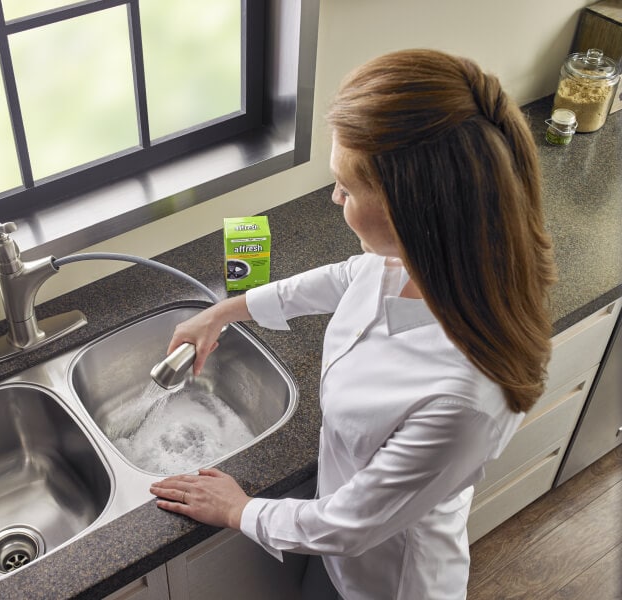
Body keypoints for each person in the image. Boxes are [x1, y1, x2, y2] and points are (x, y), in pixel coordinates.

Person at [149, 49, 557, 600]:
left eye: (347, 186)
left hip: (385, 581)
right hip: (342, 542)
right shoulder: (432, 259)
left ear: (413, 210)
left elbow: (349, 526)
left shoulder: (463, 400)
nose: (334, 196)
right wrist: (223, 312)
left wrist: (238, 508)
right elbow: (349, 277)